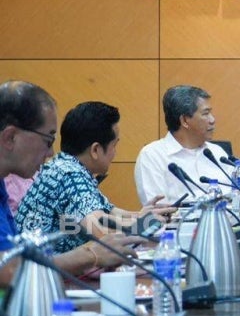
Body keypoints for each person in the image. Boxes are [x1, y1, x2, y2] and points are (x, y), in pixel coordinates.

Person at [0, 81, 141, 285]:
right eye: (48, 141)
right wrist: (90, 255)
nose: (50, 153)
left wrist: (142, 220)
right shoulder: (68, 173)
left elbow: (106, 216)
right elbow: (8, 270)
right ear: (11, 137)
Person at [16, 101, 174, 253]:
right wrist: (144, 223)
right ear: (95, 150)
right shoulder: (69, 174)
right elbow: (102, 232)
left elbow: (109, 214)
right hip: (44, 274)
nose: (115, 153)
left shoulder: (65, 166)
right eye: (114, 145)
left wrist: (141, 216)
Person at [134, 85, 229, 204]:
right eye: (205, 114)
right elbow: (158, 211)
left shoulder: (217, 153)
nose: (212, 120)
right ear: (184, 120)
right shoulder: (152, 156)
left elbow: (236, 198)